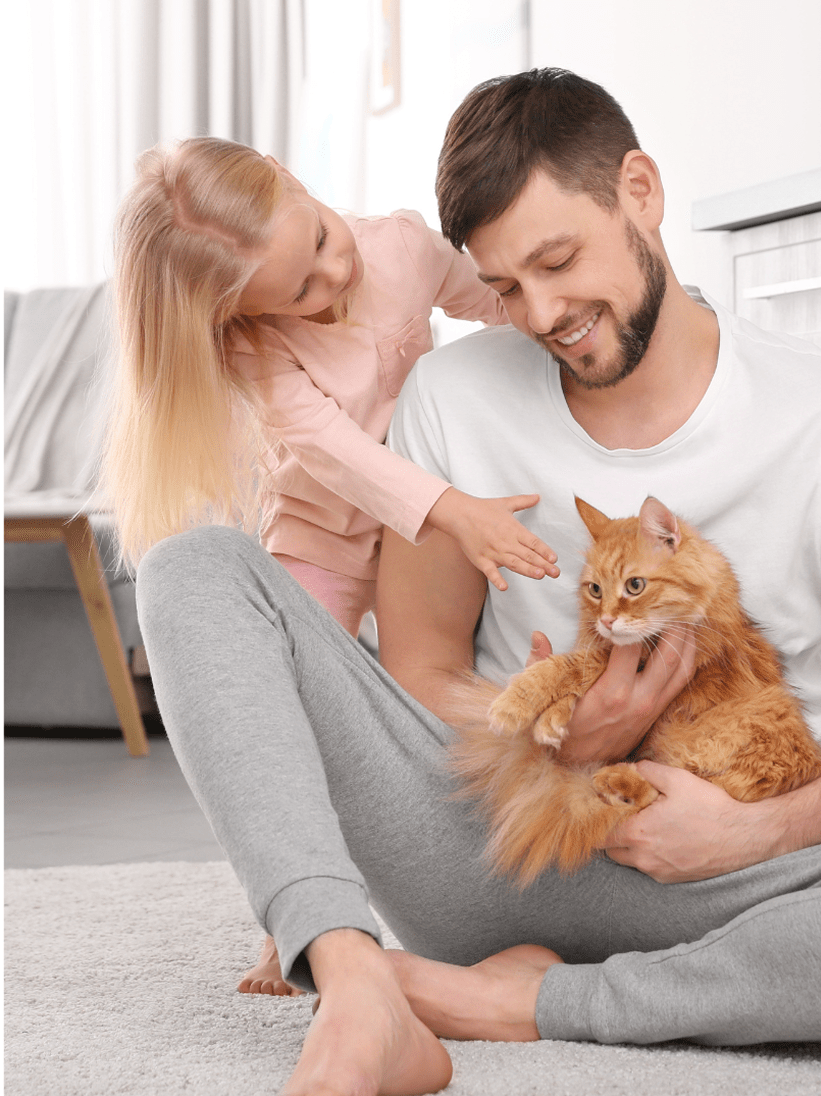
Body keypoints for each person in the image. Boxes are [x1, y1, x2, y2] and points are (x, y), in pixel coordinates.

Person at [132, 71, 821, 1096]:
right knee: (193, 567)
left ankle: (517, 1002)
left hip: (728, 877)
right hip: (496, 854)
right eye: (501, 287)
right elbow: (419, 670)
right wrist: (549, 737)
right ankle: (355, 979)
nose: (538, 315)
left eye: (555, 260)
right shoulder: (450, 396)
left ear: (639, 190)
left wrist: (747, 832)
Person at [102, 136, 559, 996]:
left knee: (430, 696)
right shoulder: (252, 348)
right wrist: (452, 510)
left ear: (291, 176)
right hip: (323, 535)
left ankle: (470, 879)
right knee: (278, 719)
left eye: (317, 242)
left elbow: (499, 308)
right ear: (237, 317)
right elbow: (336, 451)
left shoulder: (400, 246)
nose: (331, 279)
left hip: (420, 537)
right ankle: (298, 913)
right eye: (297, 294)